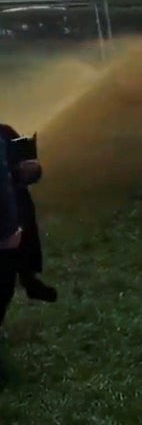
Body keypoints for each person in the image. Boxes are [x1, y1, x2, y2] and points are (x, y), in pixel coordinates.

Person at [0, 124, 57, 305]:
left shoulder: (5, 133)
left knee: (22, 204)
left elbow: (31, 170)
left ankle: (28, 277)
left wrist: (31, 169)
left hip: (10, 214)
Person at [0, 129, 21, 330]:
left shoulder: (5, 134)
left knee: (4, 289)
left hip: (6, 230)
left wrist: (33, 170)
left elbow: (27, 170)